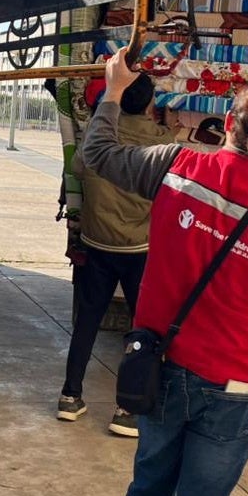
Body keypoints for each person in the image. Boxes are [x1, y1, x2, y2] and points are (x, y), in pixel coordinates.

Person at [81, 47, 248, 496]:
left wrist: (114, 90)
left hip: (163, 367)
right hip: (236, 385)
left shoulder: (176, 167)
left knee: (148, 489)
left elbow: (98, 153)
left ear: (227, 124)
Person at [57, 72, 175, 437]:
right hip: (140, 249)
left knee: (87, 322)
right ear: (150, 104)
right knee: (142, 330)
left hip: (97, 243)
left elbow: (77, 168)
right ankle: (126, 409)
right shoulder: (164, 143)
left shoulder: (98, 138)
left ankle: (70, 396)